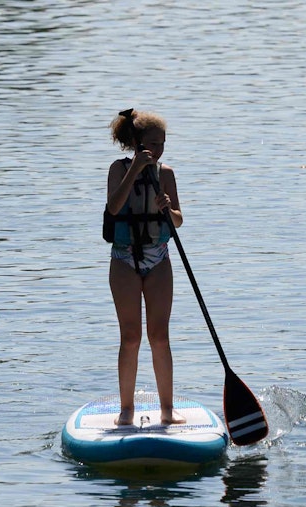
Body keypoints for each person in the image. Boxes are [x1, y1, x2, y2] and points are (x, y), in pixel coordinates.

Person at [105, 109, 182, 425]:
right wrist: (135, 170)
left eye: (162, 144)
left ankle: (167, 409)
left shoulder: (166, 173)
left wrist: (168, 208)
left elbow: (178, 220)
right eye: (152, 144)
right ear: (135, 144)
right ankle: (126, 410)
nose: (158, 150)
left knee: (160, 336)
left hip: (159, 258)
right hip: (124, 259)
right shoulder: (117, 169)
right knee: (131, 337)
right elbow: (114, 207)